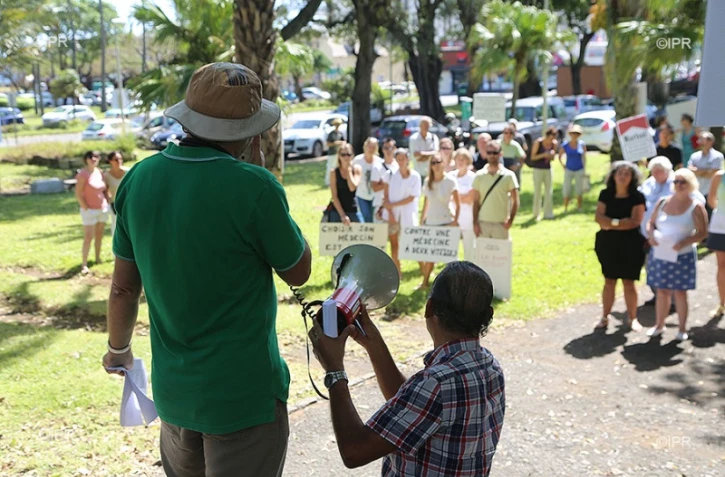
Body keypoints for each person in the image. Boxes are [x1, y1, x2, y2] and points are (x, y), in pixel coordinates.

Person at [102, 62, 312, 477]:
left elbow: (124, 289)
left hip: (175, 394)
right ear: (249, 132)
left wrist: (119, 349)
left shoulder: (139, 178)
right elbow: (299, 270)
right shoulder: (255, 187)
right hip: (244, 397)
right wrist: (263, 176)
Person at [307, 261, 505, 476]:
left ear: (429, 308)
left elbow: (354, 451)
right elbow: (414, 408)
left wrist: (334, 369)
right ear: (488, 315)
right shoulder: (491, 368)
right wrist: (374, 344)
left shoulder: (435, 384)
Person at [645, 168, 709, 341]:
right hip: (661, 253)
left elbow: (702, 233)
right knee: (662, 291)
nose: (679, 185)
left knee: (680, 293)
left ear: (691, 184)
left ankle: (681, 328)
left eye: (683, 182)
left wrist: (684, 243)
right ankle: (659, 325)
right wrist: (651, 236)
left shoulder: (696, 206)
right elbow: (650, 223)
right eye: (676, 181)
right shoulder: (663, 202)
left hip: (683, 255)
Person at [594, 161, 646, 330]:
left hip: (631, 246)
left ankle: (633, 318)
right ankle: (604, 316)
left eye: (627, 174)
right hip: (608, 245)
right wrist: (619, 222)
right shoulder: (605, 194)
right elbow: (599, 218)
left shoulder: (637, 197)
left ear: (632, 178)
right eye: (619, 173)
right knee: (609, 281)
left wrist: (611, 223)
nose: (623, 177)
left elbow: (634, 222)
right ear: (613, 176)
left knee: (629, 283)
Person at [420, 154, 460, 288]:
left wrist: (455, 221)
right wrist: (422, 220)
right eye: (433, 163)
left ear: (444, 163)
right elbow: (426, 202)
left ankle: (452, 285)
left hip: (446, 221)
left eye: (438, 162)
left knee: (449, 257)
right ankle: (425, 283)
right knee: (429, 257)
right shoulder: (427, 182)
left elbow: (457, 204)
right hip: (431, 222)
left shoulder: (450, 181)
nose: (436, 165)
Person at [383, 148, 422, 275]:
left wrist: (393, 205)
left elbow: (412, 197)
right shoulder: (390, 175)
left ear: (408, 159)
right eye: (398, 159)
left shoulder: (415, 176)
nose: (401, 161)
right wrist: (390, 213)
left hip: (408, 215)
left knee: (413, 244)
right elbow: (386, 197)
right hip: (393, 215)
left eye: (403, 158)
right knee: (394, 245)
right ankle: (397, 272)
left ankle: (423, 270)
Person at [472, 142, 519, 240]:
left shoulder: (509, 175)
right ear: (485, 154)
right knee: (482, 255)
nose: (492, 155)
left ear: (500, 153)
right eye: (489, 153)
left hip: (501, 223)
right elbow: (475, 201)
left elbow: (515, 201)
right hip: (483, 223)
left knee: (502, 254)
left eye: (495, 152)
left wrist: (510, 221)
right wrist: (475, 223)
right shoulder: (479, 175)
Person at [75, 150, 109, 275]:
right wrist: (86, 208)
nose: (93, 159)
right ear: (86, 159)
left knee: (99, 235)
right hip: (89, 210)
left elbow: (104, 189)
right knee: (88, 237)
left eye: (96, 157)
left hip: (102, 208)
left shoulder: (99, 172)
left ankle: (97, 258)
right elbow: (78, 193)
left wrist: (108, 202)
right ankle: (84, 264)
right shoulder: (83, 174)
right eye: (90, 157)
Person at [450, 148, 477, 261]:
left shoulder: (472, 177)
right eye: (457, 159)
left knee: (469, 249)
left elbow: (471, 198)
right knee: (452, 249)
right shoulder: (450, 175)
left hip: (468, 217)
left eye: (462, 159)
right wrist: (462, 197)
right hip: (452, 216)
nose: (460, 162)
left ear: (467, 161)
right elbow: (447, 196)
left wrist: (455, 197)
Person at [689, 131, 724, 218]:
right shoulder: (694, 156)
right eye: (699, 139)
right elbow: (690, 170)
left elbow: (714, 173)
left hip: (710, 192)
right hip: (696, 191)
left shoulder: (717, 156)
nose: (699, 141)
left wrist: (698, 171)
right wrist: (707, 171)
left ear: (710, 141)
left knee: (709, 217)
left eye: (702, 139)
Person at [328, 143, 363, 224]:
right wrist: (343, 215)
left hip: (353, 209)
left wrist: (349, 171)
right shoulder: (333, 172)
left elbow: (352, 188)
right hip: (337, 210)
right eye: (343, 155)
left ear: (352, 155)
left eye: (348, 154)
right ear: (339, 156)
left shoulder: (357, 169)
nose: (346, 157)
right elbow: (334, 196)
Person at [707, 169, 725, 318]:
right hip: (720, 227)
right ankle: (722, 303)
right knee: (722, 265)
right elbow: (711, 200)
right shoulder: (719, 176)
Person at [529, 126, 558, 220]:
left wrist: (552, 155)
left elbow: (552, 159)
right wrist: (543, 155)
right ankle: (536, 213)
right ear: (546, 136)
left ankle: (548, 213)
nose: (551, 141)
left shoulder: (554, 144)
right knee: (537, 191)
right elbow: (532, 157)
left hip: (548, 169)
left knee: (549, 191)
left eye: (553, 138)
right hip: (538, 169)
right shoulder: (538, 142)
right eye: (550, 138)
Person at [353, 137, 384, 223]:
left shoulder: (380, 162)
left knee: (375, 218)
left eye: (374, 147)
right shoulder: (357, 160)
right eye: (369, 146)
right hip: (361, 194)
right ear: (365, 146)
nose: (371, 149)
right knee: (365, 217)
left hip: (375, 196)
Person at [559, 125, 587, 212]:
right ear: (570, 134)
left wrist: (584, 167)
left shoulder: (582, 144)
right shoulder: (565, 145)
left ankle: (579, 207)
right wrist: (563, 165)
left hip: (579, 169)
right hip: (569, 169)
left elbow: (584, 156)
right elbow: (560, 156)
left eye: (576, 133)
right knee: (567, 188)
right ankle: (566, 207)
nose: (574, 135)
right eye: (573, 133)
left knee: (579, 188)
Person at [372, 137, 400, 222]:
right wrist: (390, 182)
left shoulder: (399, 166)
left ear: (395, 149)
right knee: (379, 234)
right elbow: (375, 188)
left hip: (395, 204)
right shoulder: (377, 167)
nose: (388, 150)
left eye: (391, 148)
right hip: (379, 205)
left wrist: (383, 182)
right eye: (385, 148)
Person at [103, 151, 130, 236]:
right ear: (110, 161)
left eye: (120, 159)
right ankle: (116, 248)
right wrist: (110, 203)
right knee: (115, 226)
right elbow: (105, 190)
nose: (119, 161)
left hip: (128, 204)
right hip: (114, 204)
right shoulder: (106, 175)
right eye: (116, 159)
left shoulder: (128, 172)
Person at [408, 116, 439, 183]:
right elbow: (416, 156)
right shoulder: (414, 139)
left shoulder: (433, 138)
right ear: (420, 125)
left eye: (428, 125)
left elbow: (436, 153)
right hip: (419, 172)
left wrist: (422, 154)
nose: (426, 127)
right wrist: (430, 154)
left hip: (431, 172)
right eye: (424, 125)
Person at [325, 118, 346, 186]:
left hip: (339, 153)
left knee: (338, 167)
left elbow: (344, 141)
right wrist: (336, 143)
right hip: (332, 153)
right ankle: (328, 181)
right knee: (330, 167)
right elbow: (328, 143)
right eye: (336, 124)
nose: (337, 126)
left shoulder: (340, 133)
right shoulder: (331, 134)